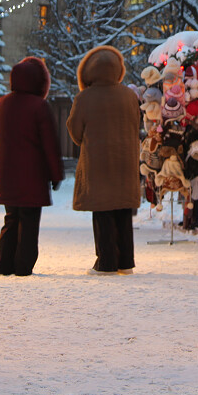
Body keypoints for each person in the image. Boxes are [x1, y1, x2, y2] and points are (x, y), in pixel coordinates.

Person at [66, 45, 142, 275]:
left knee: (102, 211)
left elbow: (75, 130)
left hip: (98, 164)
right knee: (122, 210)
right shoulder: (130, 95)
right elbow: (136, 126)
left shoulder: (84, 97)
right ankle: (125, 262)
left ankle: (106, 262)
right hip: (126, 162)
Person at [0, 57, 63, 276]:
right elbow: (49, 143)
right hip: (32, 177)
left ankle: (3, 265)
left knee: (10, 219)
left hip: (7, 176)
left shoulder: (0, 105)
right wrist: (55, 174)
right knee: (29, 222)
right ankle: (23, 267)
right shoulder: (39, 107)